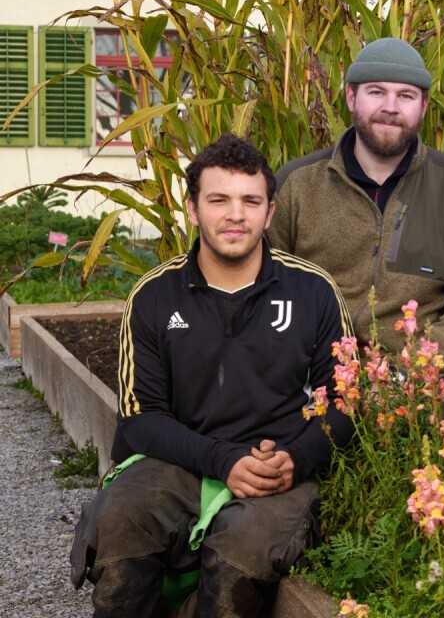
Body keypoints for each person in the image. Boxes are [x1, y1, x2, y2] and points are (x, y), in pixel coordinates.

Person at [71, 134, 355, 616]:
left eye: (251, 201)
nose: (235, 215)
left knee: (241, 554)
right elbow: (140, 418)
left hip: (275, 470)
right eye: (218, 199)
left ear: (269, 213)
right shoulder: (154, 296)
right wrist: (221, 458)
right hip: (179, 462)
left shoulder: (314, 291)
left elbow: (344, 401)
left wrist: (297, 457)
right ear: (193, 208)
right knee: (119, 523)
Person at [269, 37, 444, 347]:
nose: (390, 108)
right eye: (376, 92)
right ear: (352, 98)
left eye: (406, 96)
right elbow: (261, 286)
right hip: (315, 372)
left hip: (422, 381)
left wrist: (409, 368)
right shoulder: (295, 185)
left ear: (423, 107)